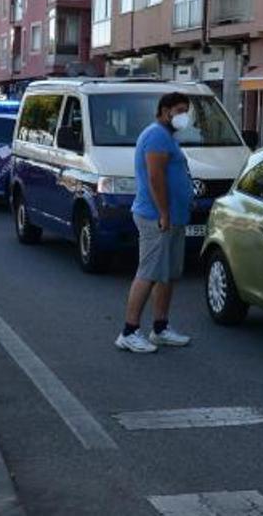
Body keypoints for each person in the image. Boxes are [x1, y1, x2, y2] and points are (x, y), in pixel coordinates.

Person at [114, 92, 195, 354]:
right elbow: (155, 176)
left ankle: (160, 328)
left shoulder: (167, 136)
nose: (184, 115)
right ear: (165, 110)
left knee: (167, 274)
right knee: (148, 272)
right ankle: (129, 331)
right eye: (180, 110)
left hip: (171, 217)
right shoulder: (156, 135)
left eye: (186, 110)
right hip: (155, 217)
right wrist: (164, 213)